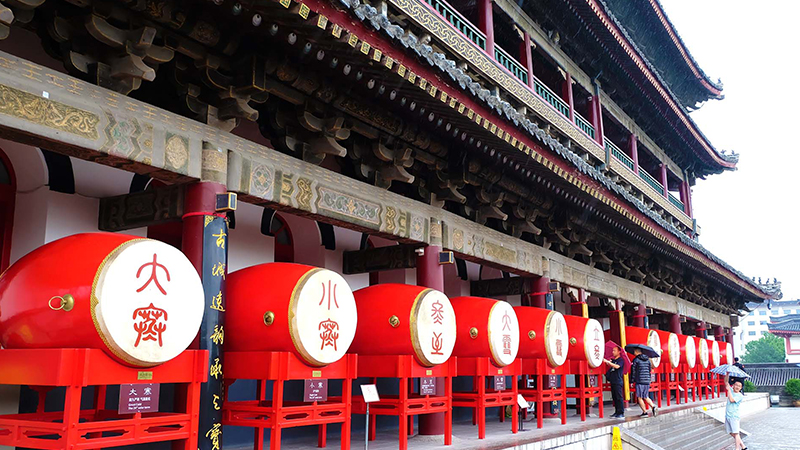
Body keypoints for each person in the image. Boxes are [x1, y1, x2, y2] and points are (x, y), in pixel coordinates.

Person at [630, 348, 657, 417]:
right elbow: (649, 370)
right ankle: (653, 406)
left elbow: (633, 372)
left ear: (636, 352)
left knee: (639, 397)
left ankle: (645, 412)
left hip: (639, 381)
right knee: (645, 396)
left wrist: (632, 381)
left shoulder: (636, 360)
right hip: (647, 380)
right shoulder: (648, 360)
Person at [725, 373, 746, 450]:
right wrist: (727, 375)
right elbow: (726, 382)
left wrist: (729, 390)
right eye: (736, 385)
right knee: (731, 432)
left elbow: (731, 399)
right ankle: (743, 446)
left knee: (736, 433)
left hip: (734, 416)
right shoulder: (731, 390)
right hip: (728, 415)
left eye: (739, 386)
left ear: (741, 388)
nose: (737, 387)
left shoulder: (740, 396)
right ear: (733, 385)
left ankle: (737, 448)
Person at [604, 345, 625, 418]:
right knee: (614, 398)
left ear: (619, 352)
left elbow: (617, 366)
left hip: (618, 381)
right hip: (613, 381)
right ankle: (616, 412)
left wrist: (609, 363)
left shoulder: (621, 360)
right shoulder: (613, 360)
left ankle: (621, 412)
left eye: (614, 351)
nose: (613, 352)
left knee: (619, 397)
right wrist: (609, 362)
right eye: (612, 350)